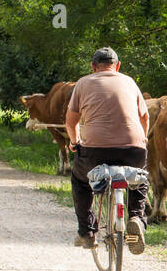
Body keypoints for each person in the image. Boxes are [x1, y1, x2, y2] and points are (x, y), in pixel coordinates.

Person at [64, 47, 150, 253]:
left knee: (80, 181)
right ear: (117, 66)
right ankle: (136, 217)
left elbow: (71, 120)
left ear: (93, 67)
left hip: (95, 152)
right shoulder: (129, 81)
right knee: (139, 179)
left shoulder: (83, 83)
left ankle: (87, 232)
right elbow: (145, 117)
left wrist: (74, 141)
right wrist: (142, 140)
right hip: (133, 150)